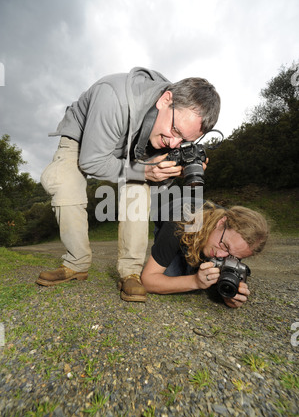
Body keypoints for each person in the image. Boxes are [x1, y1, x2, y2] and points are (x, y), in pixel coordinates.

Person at [35, 67, 221, 302]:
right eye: (175, 131)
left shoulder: (173, 123)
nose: (174, 143)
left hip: (132, 147)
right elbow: (92, 162)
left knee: (138, 191)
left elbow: (156, 180)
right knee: (65, 183)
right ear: (166, 100)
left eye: (185, 140)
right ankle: (76, 263)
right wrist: (144, 170)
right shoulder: (112, 97)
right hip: (83, 140)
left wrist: (175, 170)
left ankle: (130, 272)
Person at [141, 202, 269, 308]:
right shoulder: (179, 222)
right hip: (173, 216)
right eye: (225, 245)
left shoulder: (232, 239)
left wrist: (229, 293)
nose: (220, 255)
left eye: (233, 257)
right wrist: (195, 281)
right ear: (220, 223)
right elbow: (148, 280)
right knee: (172, 274)